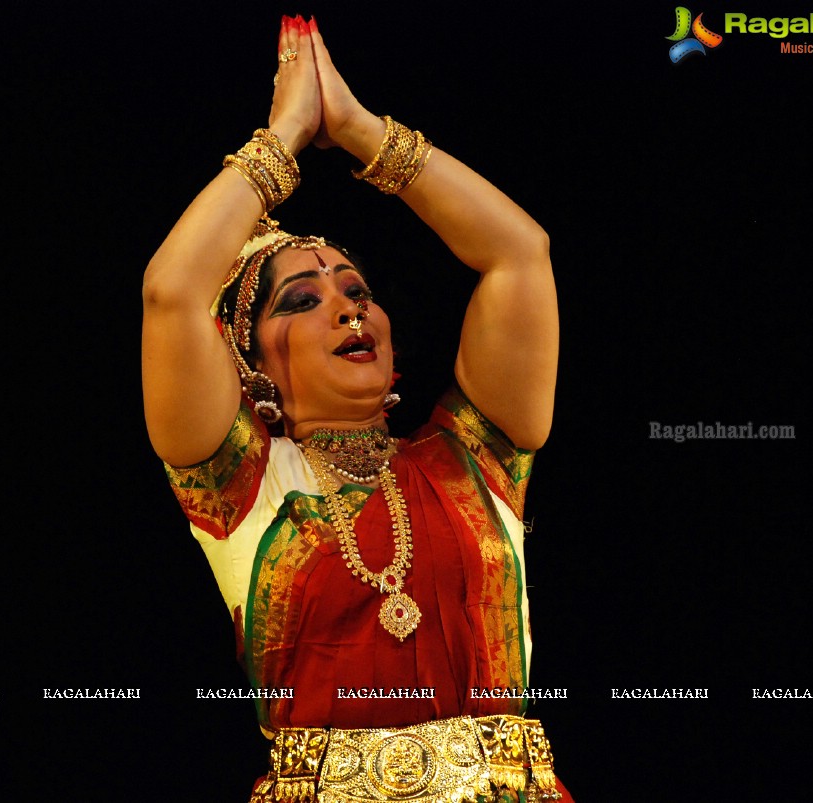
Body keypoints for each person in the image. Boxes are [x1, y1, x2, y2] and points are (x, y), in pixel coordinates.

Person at [142, 15, 570, 803]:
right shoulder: (240, 486)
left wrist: (359, 130)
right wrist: (284, 138)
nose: (346, 310)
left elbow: (517, 253)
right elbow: (172, 294)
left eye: (357, 291)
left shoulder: (475, 459)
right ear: (250, 362)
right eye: (300, 301)